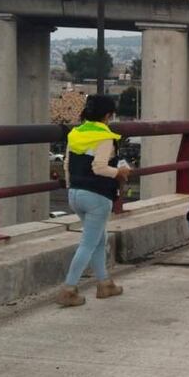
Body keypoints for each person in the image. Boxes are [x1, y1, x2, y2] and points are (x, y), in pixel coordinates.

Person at [56, 95, 131, 307]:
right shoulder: (105, 137)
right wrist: (120, 172)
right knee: (89, 243)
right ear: (108, 115)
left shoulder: (75, 133)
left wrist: (73, 187)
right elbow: (99, 167)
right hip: (97, 196)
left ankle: (105, 283)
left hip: (75, 194)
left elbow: (67, 164)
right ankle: (68, 289)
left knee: (99, 238)